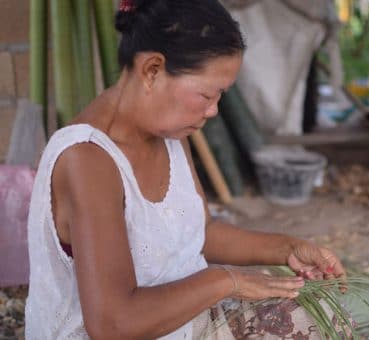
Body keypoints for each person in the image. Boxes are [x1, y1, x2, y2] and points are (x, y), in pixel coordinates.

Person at [24, 0, 347, 338]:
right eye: (208, 95)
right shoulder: (88, 159)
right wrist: (226, 280)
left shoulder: (171, 134)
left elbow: (200, 233)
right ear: (152, 70)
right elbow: (112, 323)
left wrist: (287, 248)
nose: (213, 111)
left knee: (323, 317)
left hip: (184, 325)